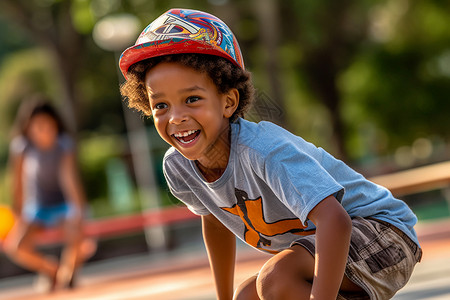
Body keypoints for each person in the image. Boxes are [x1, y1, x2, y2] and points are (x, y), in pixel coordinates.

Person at [119, 8, 422, 300]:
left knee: (276, 278)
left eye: (192, 99)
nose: (176, 117)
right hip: (329, 246)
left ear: (228, 102)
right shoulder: (178, 167)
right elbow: (215, 221)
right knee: (248, 296)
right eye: (161, 105)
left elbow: (335, 220)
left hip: (384, 233)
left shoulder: (262, 150)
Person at [4, 96, 88, 292]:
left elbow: (69, 178)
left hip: (63, 204)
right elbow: (17, 183)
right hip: (37, 207)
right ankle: (52, 270)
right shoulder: (22, 147)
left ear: (55, 125)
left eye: (47, 125)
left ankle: (69, 274)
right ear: (29, 128)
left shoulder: (64, 145)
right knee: (15, 247)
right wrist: (18, 212)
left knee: (76, 233)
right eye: (38, 126)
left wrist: (77, 210)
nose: (44, 131)